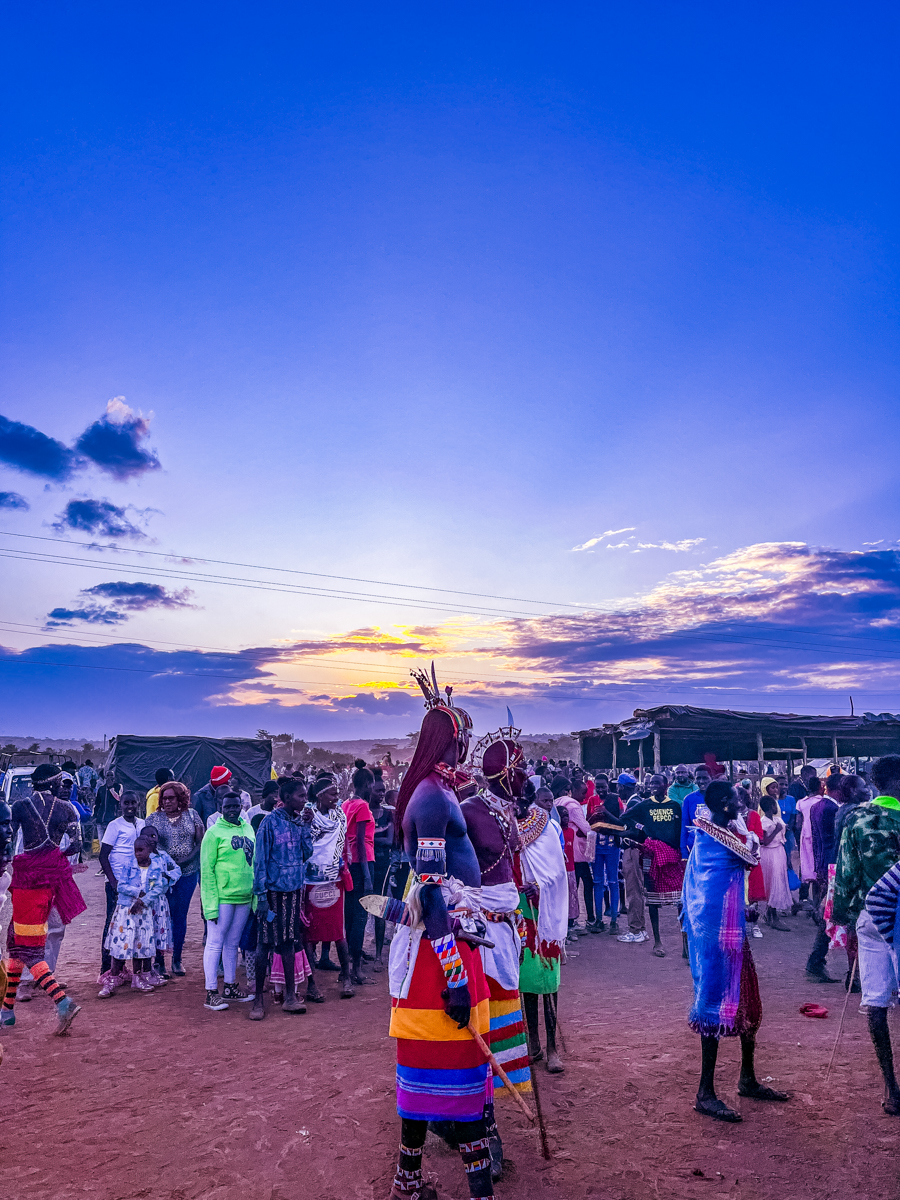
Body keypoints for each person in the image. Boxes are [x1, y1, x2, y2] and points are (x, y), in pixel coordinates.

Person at [388, 669, 494, 1200]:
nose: (469, 748)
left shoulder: (440, 792)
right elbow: (430, 891)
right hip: (439, 953)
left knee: (445, 1073)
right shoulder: (430, 800)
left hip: (451, 940)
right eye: (463, 740)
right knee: (449, 1069)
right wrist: (454, 975)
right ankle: (474, 1189)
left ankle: (408, 1185)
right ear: (448, 742)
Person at [683, 780, 789, 1121]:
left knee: (747, 1001)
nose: (740, 800)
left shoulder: (721, 829)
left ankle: (747, 1078)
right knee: (714, 1003)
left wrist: (740, 907)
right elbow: (724, 877)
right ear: (724, 804)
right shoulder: (713, 837)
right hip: (716, 932)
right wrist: (738, 908)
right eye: (734, 797)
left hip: (730, 929)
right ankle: (705, 1092)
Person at [462, 728, 530, 1180]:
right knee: (477, 1025)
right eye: (519, 771)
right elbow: (446, 877)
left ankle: (473, 1120)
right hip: (477, 930)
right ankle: (483, 1129)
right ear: (501, 774)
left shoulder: (506, 810)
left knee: (501, 1022)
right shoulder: (465, 812)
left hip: (505, 925)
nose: (525, 780)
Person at [833, 755, 900, 1115]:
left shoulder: (856, 817)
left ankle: (891, 1088)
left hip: (869, 918)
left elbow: (845, 874)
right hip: (899, 917)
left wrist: (842, 917)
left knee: (875, 1002)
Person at [1, 764, 85, 1032]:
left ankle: (63, 1003)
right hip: (49, 882)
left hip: (26, 881)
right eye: (61, 782)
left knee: (28, 948)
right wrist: (53, 858)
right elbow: (77, 845)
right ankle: (6, 1012)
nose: (63, 786)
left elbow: (8, 839)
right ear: (52, 783)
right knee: (17, 945)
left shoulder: (20, 806)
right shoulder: (67, 808)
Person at [513, 771, 568, 1073]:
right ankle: (533, 1042)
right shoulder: (505, 827)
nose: (518, 803)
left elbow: (558, 871)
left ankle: (552, 1047)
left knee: (548, 981)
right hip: (519, 913)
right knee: (526, 982)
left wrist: (540, 885)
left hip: (544, 915)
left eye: (522, 797)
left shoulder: (548, 826)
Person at [251, 777, 315, 1019]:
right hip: (271, 893)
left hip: (292, 891)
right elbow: (259, 861)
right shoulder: (269, 823)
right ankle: (258, 1000)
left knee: (288, 941)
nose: (305, 800)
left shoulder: (298, 823)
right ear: (286, 798)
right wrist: (261, 895)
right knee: (264, 944)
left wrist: (307, 826)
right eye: (301, 796)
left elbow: (306, 853)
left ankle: (290, 997)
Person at [616, 773, 684, 957]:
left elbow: (680, 831)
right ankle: (657, 942)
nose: (653, 786)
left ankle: (685, 945)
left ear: (666, 785)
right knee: (653, 900)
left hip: (672, 856)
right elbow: (625, 818)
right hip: (652, 855)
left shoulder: (675, 806)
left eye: (656, 783)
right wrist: (642, 828)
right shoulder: (645, 804)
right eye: (650, 783)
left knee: (679, 900)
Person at [199, 790, 255, 1010]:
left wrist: (255, 897)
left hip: (244, 896)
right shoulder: (213, 833)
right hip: (222, 898)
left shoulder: (248, 828)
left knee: (233, 943)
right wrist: (210, 905)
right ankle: (211, 992)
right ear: (221, 808)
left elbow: (255, 861)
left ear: (241, 806)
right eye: (227, 807)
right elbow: (207, 871)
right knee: (215, 943)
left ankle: (230, 986)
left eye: (235, 806)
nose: (232, 810)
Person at [145, 781, 205, 976]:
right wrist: (168, 863)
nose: (167, 801)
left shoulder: (192, 815)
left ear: (181, 798)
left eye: (171, 798)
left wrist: (187, 858)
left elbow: (200, 841)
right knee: (162, 915)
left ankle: (177, 959)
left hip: (188, 873)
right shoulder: (154, 819)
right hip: (163, 875)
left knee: (180, 915)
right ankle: (159, 961)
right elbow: (149, 844)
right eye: (164, 798)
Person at [99, 833, 169, 996]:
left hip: (143, 912)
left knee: (141, 944)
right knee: (120, 944)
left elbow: (158, 888)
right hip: (126, 910)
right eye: (135, 850)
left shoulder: (155, 867)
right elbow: (121, 885)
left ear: (150, 850)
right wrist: (139, 893)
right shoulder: (129, 865)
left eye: (141, 850)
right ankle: (112, 978)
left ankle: (138, 978)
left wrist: (143, 901)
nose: (137, 853)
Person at [305, 778, 355, 996]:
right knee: (309, 934)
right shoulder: (305, 816)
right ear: (319, 796)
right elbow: (305, 843)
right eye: (332, 794)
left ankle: (346, 976)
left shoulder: (339, 816)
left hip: (333, 878)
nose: (336, 798)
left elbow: (340, 841)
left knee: (338, 931)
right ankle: (311, 983)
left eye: (336, 794)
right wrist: (306, 823)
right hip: (309, 879)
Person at [98, 792, 146, 974]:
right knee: (112, 924)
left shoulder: (143, 824)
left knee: (135, 924)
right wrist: (113, 882)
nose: (130, 806)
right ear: (121, 805)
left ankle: (130, 968)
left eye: (133, 802)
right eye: (126, 803)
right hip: (117, 884)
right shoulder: (114, 825)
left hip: (137, 884)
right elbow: (103, 856)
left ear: (139, 804)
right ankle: (106, 968)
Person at [343, 762, 376, 985]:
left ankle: (349, 966)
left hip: (349, 863)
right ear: (366, 784)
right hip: (362, 862)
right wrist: (367, 875)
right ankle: (356, 968)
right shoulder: (363, 806)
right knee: (361, 916)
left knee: (350, 914)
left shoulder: (346, 804)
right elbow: (363, 843)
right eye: (372, 785)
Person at [138, 823, 181, 980]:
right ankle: (145, 968)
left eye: (153, 836)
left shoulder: (163, 856)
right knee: (146, 932)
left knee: (159, 931)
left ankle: (160, 962)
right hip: (145, 902)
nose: (150, 839)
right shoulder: (141, 856)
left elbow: (177, 869)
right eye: (146, 836)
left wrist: (167, 877)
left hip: (160, 903)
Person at [553, 776, 595, 929]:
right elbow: (586, 829)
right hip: (577, 852)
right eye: (582, 793)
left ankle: (569, 921)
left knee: (571, 886)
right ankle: (588, 918)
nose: (584, 796)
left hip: (565, 851)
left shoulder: (556, 802)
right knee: (585, 885)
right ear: (571, 791)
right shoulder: (573, 806)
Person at [369, 774, 395, 971]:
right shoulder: (365, 812)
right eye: (378, 790)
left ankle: (378, 955)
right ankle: (365, 954)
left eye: (383, 791)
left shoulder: (389, 814)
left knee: (378, 907)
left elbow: (390, 841)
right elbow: (385, 839)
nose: (381, 794)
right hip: (369, 863)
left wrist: (366, 838)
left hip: (382, 865)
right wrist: (379, 834)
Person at [758, 789, 792, 930]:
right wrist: (777, 830)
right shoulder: (764, 822)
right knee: (772, 882)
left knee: (778, 880)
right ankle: (773, 916)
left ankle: (770, 914)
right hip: (769, 854)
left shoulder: (778, 820)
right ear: (771, 807)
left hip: (779, 852)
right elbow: (764, 841)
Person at [679, 764, 712, 859]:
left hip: (715, 846)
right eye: (699, 778)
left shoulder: (719, 797)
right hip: (694, 847)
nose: (701, 781)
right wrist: (684, 851)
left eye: (705, 778)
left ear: (711, 777)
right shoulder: (688, 799)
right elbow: (684, 826)